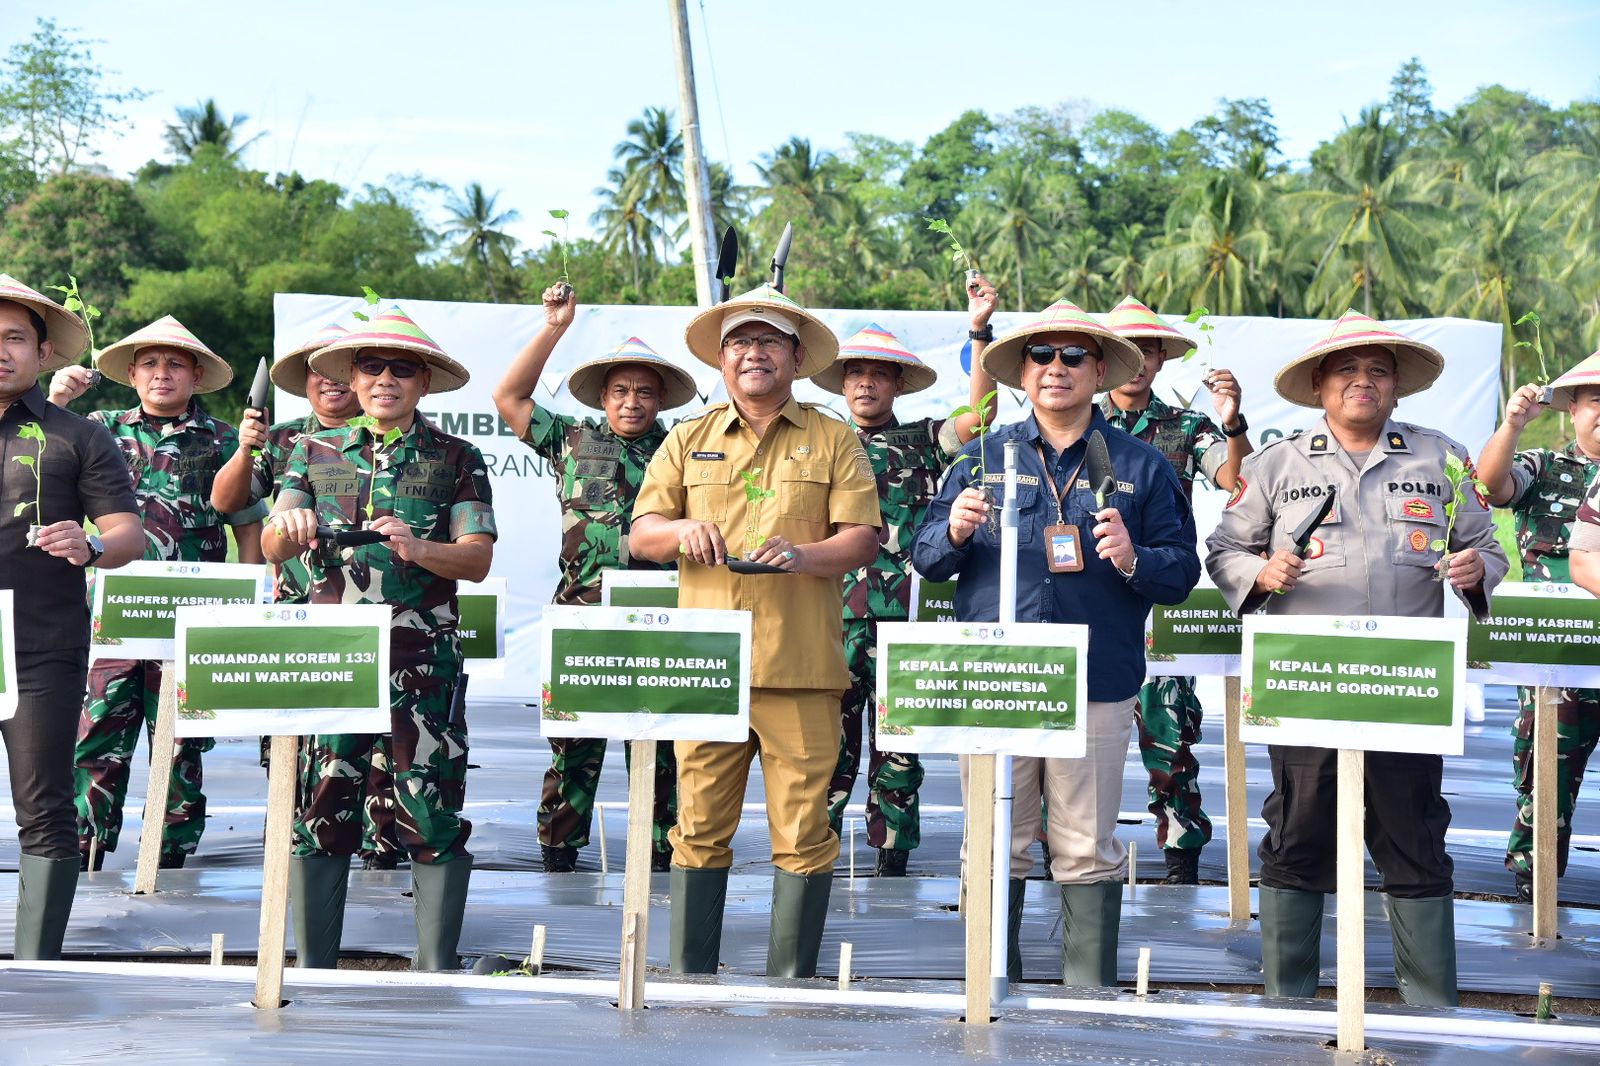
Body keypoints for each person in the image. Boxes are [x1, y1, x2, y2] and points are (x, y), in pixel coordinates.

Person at [1206, 309, 1508, 1006]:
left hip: (1405, 687)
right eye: (1346, 370)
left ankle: (1432, 1004)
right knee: (1298, 834)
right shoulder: (1275, 464)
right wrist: (1261, 575)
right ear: (1319, 386)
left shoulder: (1441, 459)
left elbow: (1490, 548)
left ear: (1398, 387)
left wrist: (1473, 569)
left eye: (1377, 371)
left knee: (1414, 833)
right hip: (1304, 684)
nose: (1362, 382)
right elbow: (1224, 550)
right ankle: (1288, 1000)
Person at [912, 299, 1201, 985]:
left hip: (1097, 679)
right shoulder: (981, 457)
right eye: (1042, 355)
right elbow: (925, 561)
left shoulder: (1141, 465)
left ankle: (1088, 999)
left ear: (1100, 371)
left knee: (1084, 847)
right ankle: (987, 989)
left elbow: (1183, 571)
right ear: (1021, 370)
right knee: (993, 843)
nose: (1057, 368)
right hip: (994, 680)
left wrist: (1134, 557)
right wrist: (952, 530)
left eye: (1074, 356)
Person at [630, 284, 880, 978]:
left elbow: (862, 540)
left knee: (803, 834)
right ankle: (688, 979)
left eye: (769, 341)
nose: (754, 354)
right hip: (707, 671)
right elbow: (643, 533)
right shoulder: (689, 437)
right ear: (721, 358)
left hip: (800, 668)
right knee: (698, 830)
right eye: (740, 341)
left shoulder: (833, 437)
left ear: (797, 358)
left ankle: (793, 986)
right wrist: (682, 529)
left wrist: (805, 555)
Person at [265, 305, 495, 971]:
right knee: (323, 806)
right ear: (354, 380)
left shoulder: (456, 457)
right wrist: (296, 521)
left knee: (428, 806)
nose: (385, 379)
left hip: (422, 664)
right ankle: (312, 967)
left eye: (402, 368)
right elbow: (274, 542)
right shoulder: (316, 451)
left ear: (423, 382)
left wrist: (420, 548)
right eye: (372, 367)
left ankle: (435, 970)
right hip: (333, 656)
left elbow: (476, 559)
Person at [492, 285, 697, 874]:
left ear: (661, 400)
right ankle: (559, 847)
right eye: (621, 391)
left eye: (645, 392)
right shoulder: (574, 439)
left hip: (663, 616)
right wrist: (556, 327)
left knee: (660, 747)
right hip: (583, 613)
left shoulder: (682, 448)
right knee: (574, 742)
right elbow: (509, 396)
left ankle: (661, 850)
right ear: (604, 397)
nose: (632, 402)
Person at [52, 315, 267, 871]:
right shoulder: (96, 429)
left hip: (192, 620)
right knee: (96, 733)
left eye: (175, 364)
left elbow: (247, 529)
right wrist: (55, 399)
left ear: (196, 375)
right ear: (130, 372)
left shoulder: (224, 440)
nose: (162, 374)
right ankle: (85, 847)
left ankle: (168, 854)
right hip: (112, 615)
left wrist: (248, 608)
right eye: (150, 363)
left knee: (180, 742)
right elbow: (48, 492)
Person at [812, 283, 997, 877]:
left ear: (898, 385)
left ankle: (892, 851)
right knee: (827, 747)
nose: (866, 383)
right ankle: (817, 849)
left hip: (902, 618)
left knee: (898, 742)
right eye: (856, 373)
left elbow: (981, 417)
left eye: (879, 374)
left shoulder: (924, 440)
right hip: (828, 617)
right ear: (843, 384)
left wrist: (979, 330)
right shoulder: (817, 441)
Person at [211, 321, 407, 870]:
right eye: (317, 372)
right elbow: (227, 502)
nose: (332, 382)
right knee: (296, 746)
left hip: (381, 616)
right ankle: (293, 847)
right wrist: (245, 447)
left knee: (377, 750)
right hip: (300, 612)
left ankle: (379, 850)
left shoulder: (399, 444)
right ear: (305, 383)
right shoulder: (284, 440)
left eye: (342, 371)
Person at [0, 275, 143, 958]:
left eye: (14, 338)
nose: (1, 351)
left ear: (43, 350)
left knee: (45, 805)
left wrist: (89, 545)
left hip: (39, 645)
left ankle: (36, 967)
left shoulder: (78, 435)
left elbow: (127, 536)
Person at [1102, 295, 1253, 885]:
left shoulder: (1185, 428)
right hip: (1085, 598)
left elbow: (1235, 479)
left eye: (1150, 350)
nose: (1138, 361)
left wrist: (1233, 419)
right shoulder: (1076, 421)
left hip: (1161, 590)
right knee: (1070, 719)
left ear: (1163, 359)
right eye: (1128, 350)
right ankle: (1052, 844)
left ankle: (1181, 848)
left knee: (1167, 720)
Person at [1476, 352, 1600, 901]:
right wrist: (1511, 425)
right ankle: (1537, 887)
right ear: (1573, 408)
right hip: (1559, 663)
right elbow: (1490, 485)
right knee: (1546, 777)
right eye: (1597, 401)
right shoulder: (1546, 468)